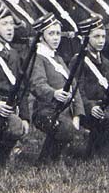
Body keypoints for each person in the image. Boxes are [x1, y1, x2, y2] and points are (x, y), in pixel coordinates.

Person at [0, 3, 32, 169]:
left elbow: (21, 87)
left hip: (11, 104)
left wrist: (25, 116)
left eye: (11, 24)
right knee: (13, 128)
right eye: (4, 24)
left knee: (18, 126)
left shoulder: (13, 53)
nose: (10, 29)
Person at [29, 14, 85, 164]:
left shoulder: (58, 59)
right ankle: (47, 161)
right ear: (41, 37)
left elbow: (73, 87)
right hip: (44, 111)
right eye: (51, 34)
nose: (56, 38)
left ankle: (53, 159)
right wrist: (54, 93)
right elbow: (37, 85)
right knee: (65, 128)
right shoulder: (38, 58)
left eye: (58, 33)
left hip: (64, 111)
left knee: (67, 128)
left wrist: (78, 114)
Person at [75, 17, 109, 157]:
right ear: (86, 38)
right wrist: (90, 106)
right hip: (90, 110)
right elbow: (78, 92)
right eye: (96, 36)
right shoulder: (79, 60)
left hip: (106, 108)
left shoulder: (105, 61)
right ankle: (93, 143)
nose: (101, 40)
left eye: (103, 36)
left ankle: (97, 144)